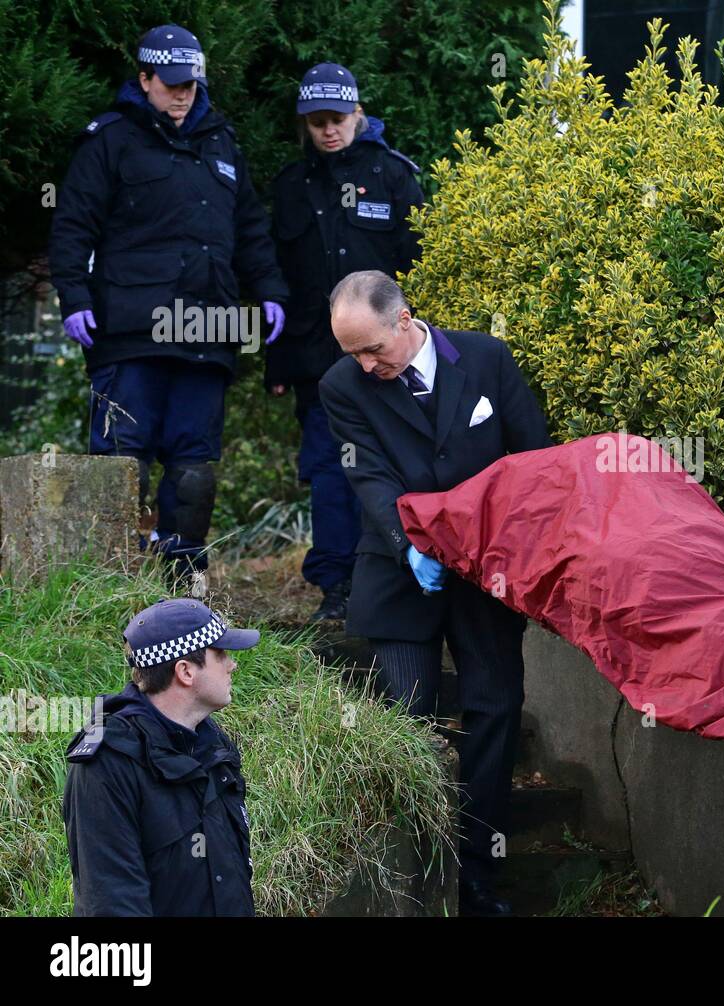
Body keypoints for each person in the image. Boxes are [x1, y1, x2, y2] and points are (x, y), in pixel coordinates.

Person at [318, 270, 552, 915]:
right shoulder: (342, 386)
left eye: (374, 349)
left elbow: (534, 459)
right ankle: (417, 882)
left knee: (496, 712)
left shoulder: (484, 357)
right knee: (406, 725)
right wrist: (409, 542)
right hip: (398, 573)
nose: (366, 365)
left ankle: (478, 876)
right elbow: (364, 473)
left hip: (489, 573)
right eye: (353, 355)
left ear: (404, 320)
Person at [48, 24, 288, 587]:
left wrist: (271, 291)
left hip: (207, 328)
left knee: (194, 469)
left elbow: (251, 230)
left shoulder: (222, 142)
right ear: (145, 78)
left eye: (191, 84)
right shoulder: (108, 140)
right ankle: (107, 585)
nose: (182, 94)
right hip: (129, 330)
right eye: (171, 83)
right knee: (119, 465)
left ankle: (181, 581)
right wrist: (73, 298)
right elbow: (73, 225)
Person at [267, 63, 426, 622]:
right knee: (331, 472)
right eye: (317, 122)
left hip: (389, 359)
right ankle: (335, 588)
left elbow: (424, 268)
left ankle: (392, 575)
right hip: (317, 361)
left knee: (391, 465)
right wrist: (278, 359)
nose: (329, 130)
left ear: (358, 112)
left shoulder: (394, 176)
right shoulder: (291, 186)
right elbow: (279, 283)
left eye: (337, 118)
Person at [62, 599, 261, 916]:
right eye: (220, 654)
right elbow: (113, 903)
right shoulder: (107, 763)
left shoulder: (213, 744)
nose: (232, 664)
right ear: (185, 671)